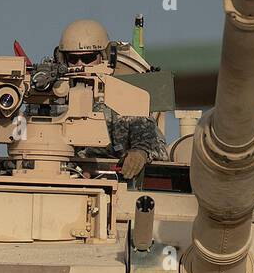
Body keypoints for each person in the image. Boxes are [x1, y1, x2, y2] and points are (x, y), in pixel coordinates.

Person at [40, 19, 167, 179]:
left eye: (88, 58)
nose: (80, 64)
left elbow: (153, 141)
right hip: (56, 179)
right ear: (62, 59)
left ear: (105, 56)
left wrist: (140, 153)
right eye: (73, 59)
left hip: (111, 181)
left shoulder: (122, 98)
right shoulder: (49, 99)